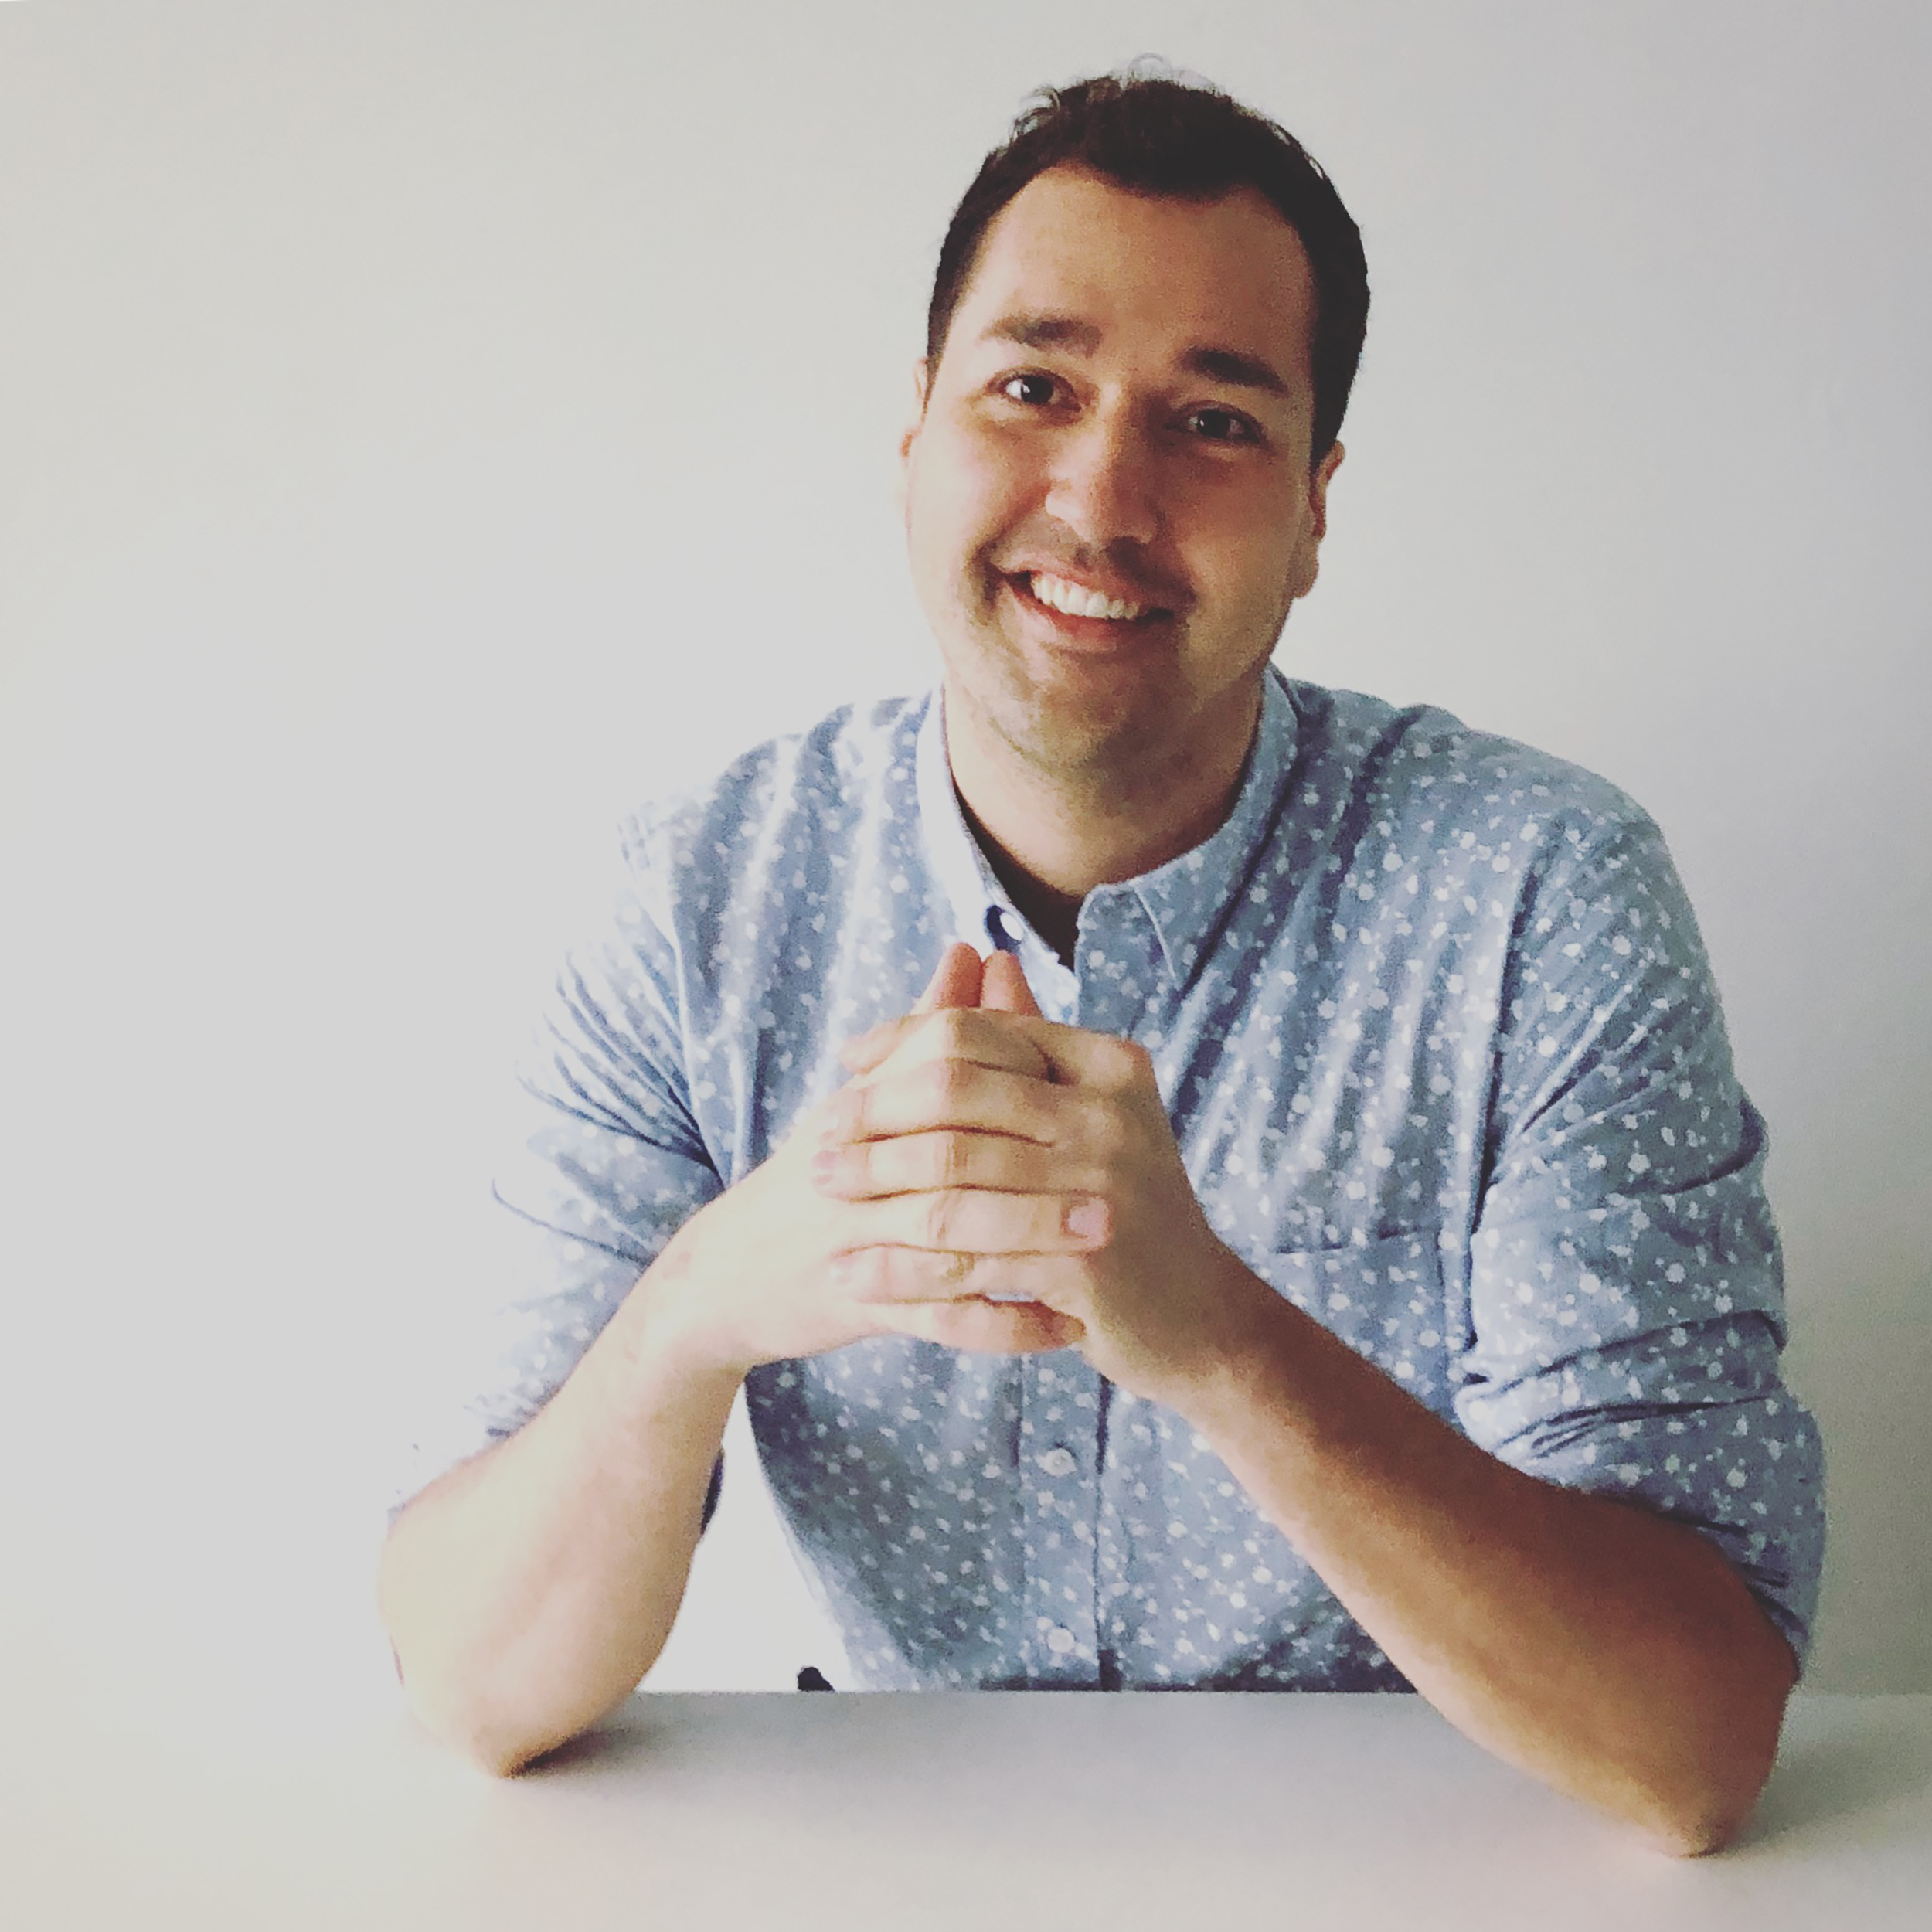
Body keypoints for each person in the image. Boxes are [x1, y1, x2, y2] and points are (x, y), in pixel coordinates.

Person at [376, 68, 1824, 1854]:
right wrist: (702, 1305)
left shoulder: (1539, 895)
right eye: (1029, 387)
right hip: (900, 1864)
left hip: (1423, 1873)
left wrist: (1217, 1330)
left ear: (1311, 510)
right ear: (912, 429)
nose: (1100, 492)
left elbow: (1689, 1746)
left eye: (1212, 419)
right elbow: (468, 1674)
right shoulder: (693, 900)